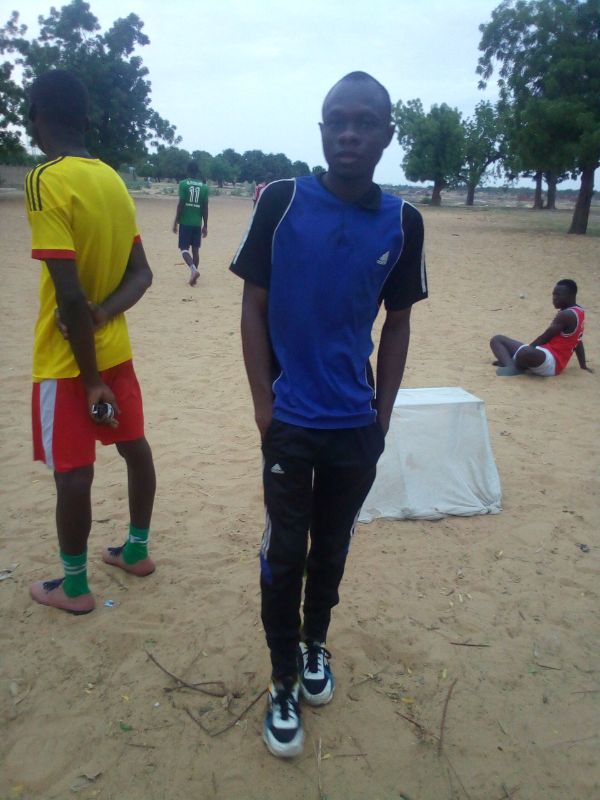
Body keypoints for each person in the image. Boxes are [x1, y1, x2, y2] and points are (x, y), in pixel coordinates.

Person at [230, 71, 428, 758]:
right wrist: (264, 406)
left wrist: (382, 418)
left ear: (386, 135)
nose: (350, 132)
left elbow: (397, 324)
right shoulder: (281, 203)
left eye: (365, 121)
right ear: (321, 131)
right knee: (286, 553)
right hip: (289, 420)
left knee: (333, 548)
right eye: (337, 120)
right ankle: (283, 679)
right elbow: (253, 307)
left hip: (354, 428)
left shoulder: (403, 222)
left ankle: (317, 647)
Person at [24, 70, 157, 615]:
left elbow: (68, 299)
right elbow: (142, 275)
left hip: (68, 363)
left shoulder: (46, 180)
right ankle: (137, 550)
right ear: (86, 118)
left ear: (36, 117)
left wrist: (91, 380)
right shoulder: (113, 182)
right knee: (134, 449)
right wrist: (106, 314)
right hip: (115, 351)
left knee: (73, 473)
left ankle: (74, 587)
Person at [490, 280, 592, 376]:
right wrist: (583, 366)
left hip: (553, 363)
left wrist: (527, 349)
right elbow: (577, 340)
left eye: (558, 295)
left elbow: (546, 336)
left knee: (525, 352)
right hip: (544, 353)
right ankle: (511, 364)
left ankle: (513, 365)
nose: (554, 298)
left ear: (570, 296)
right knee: (496, 339)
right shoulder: (579, 312)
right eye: (553, 294)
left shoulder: (567, 315)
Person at [173, 161, 208, 286]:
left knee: (183, 249)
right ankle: (194, 276)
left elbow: (181, 204)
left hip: (186, 222)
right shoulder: (204, 187)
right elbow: (205, 208)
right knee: (196, 250)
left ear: (188, 170)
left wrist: (175, 221)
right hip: (197, 223)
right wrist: (206, 225)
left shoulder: (183, 184)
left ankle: (193, 270)